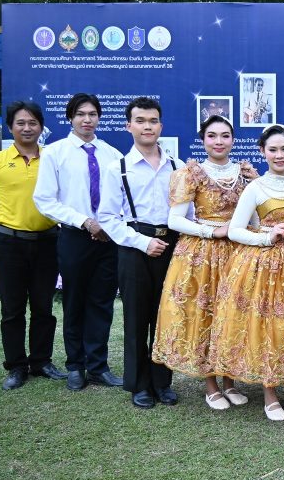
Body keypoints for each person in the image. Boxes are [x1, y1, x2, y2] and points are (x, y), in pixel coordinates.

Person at [152, 115, 255, 410]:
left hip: (237, 252)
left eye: (225, 135)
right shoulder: (191, 173)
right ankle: (211, 385)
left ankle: (229, 381)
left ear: (233, 140)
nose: (219, 142)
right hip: (202, 255)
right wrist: (212, 231)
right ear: (203, 140)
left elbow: (254, 215)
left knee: (232, 315)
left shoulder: (245, 173)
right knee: (206, 315)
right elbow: (175, 220)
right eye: (212, 136)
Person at [213, 124, 284, 420]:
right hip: (264, 268)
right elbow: (235, 230)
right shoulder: (255, 188)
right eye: (273, 150)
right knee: (268, 326)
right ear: (262, 152)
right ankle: (270, 395)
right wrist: (267, 237)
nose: (279, 155)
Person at [97, 97, 183, 409]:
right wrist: (141, 242)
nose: (148, 126)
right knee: (136, 318)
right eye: (140, 121)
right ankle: (139, 384)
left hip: (171, 245)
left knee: (166, 317)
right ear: (129, 125)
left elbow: (187, 211)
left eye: (153, 121)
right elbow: (107, 217)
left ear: (161, 125)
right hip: (134, 247)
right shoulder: (117, 168)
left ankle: (162, 382)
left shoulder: (177, 166)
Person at [33, 93, 123, 391]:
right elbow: (45, 200)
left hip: (107, 238)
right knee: (74, 301)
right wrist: (84, 221)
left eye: (92, 114)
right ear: (70, 118)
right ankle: (75, 365)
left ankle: (98, 366)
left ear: (99, 118)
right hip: (75, 236)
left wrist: (108, 224)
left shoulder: (112, 154)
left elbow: (121, 197)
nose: (87, 120)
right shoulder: (55, 153)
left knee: (102, 302)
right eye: (81, 114)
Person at [0, 101, 65, 390]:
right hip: (9, 245)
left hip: (48, 242)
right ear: (10, 127)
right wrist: (8, 225)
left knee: (43, 306)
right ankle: (16, 366)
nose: (27, 128)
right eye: (20, 123)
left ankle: (41, 361)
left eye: (32, 123)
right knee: (12, 309)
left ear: (41, 127)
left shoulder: (53, 159)